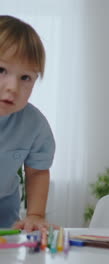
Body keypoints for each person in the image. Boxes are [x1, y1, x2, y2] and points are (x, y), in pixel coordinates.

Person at [0, 15, 55, 231]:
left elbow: (38, 172)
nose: (13, 87)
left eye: (25, 78)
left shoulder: (35, 125)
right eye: (1, 70)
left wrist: (35, 214)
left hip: (4, 215)